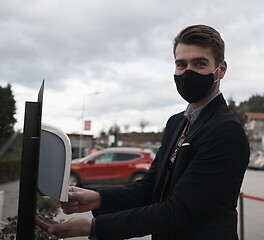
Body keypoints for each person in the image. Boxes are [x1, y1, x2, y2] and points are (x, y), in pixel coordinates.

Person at [36, 24, 250, 240]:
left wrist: (93, 227)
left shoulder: (225, 131)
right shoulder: (177, 122)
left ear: (221, 69)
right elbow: (151, 187)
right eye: (181, 64)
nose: (188, 72)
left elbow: (178, 211)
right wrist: (98, 198)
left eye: (199, 64)